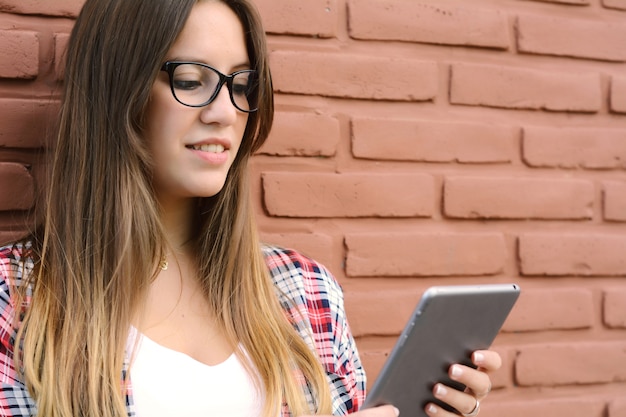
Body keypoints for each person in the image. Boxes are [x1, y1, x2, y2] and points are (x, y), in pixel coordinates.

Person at [0, 0, 501, 416]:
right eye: (192, 80)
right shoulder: (16, 305)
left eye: (241, 86)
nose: (224, 113)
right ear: (116, 89)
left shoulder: (308, 295)